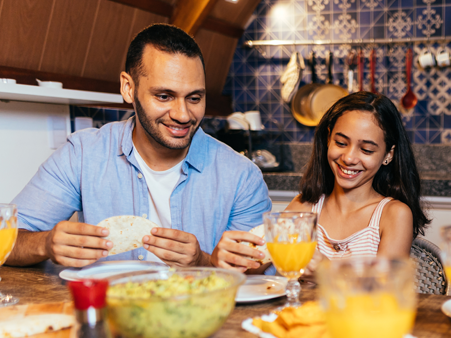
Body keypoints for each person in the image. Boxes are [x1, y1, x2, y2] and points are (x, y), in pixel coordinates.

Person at [6, 24, 271, 269]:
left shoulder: (240, 175)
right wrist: (45, 244)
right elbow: (7, 239)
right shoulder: (84, 154)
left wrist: (204, 260)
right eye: (164, 96)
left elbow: (261, 270)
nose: (182, 114)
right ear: (128, 88)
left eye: (194, 98)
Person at [215, 92, 428, 271]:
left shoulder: (393, 215)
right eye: (341, 142)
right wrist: (231, 260)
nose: (349, 158)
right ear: (328, 139)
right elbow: (260, 272)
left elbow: (386, 296)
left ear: (388, 155)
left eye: (366, 149)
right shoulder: (304, 206)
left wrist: (328, 273)